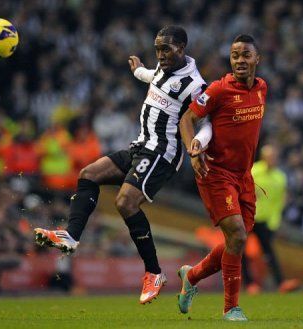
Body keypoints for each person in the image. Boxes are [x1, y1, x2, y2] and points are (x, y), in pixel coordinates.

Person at [34, 26, 208, 304]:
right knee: (88, 174)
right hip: (140, 146)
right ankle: (70, 237)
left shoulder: (195, 85)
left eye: (166, 49)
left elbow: (206, 120)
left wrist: (198, 144)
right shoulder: (163, 69)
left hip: (163, 153)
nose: (160, 55)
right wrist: (138, 70)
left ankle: (154, 272)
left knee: (125, 202)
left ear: (182, 49)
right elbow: (152, 76)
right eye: (157, 49)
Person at [177, 34, 267, 321]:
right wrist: (194, 152)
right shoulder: (218, 90)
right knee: (238, 235)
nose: (240, 60)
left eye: (246, 55)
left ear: (257, 59)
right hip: (216, 173)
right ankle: (231, 308)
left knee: (236, 240)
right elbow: (187, 119)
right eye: (235, 55)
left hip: (244, 176)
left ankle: (191, 277)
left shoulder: (262, 88)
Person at [242, 145, 300, 294]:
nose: (272, 159)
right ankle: (249, 284)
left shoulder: (280, 177)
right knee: (242, 250)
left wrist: (274, 222)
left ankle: (281, 283)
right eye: (270, 156)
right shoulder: (253, 171)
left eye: (274, 156)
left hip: (265, 220)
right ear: (263, 157)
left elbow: (279, 202)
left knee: (269, 253)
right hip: (247, 217)